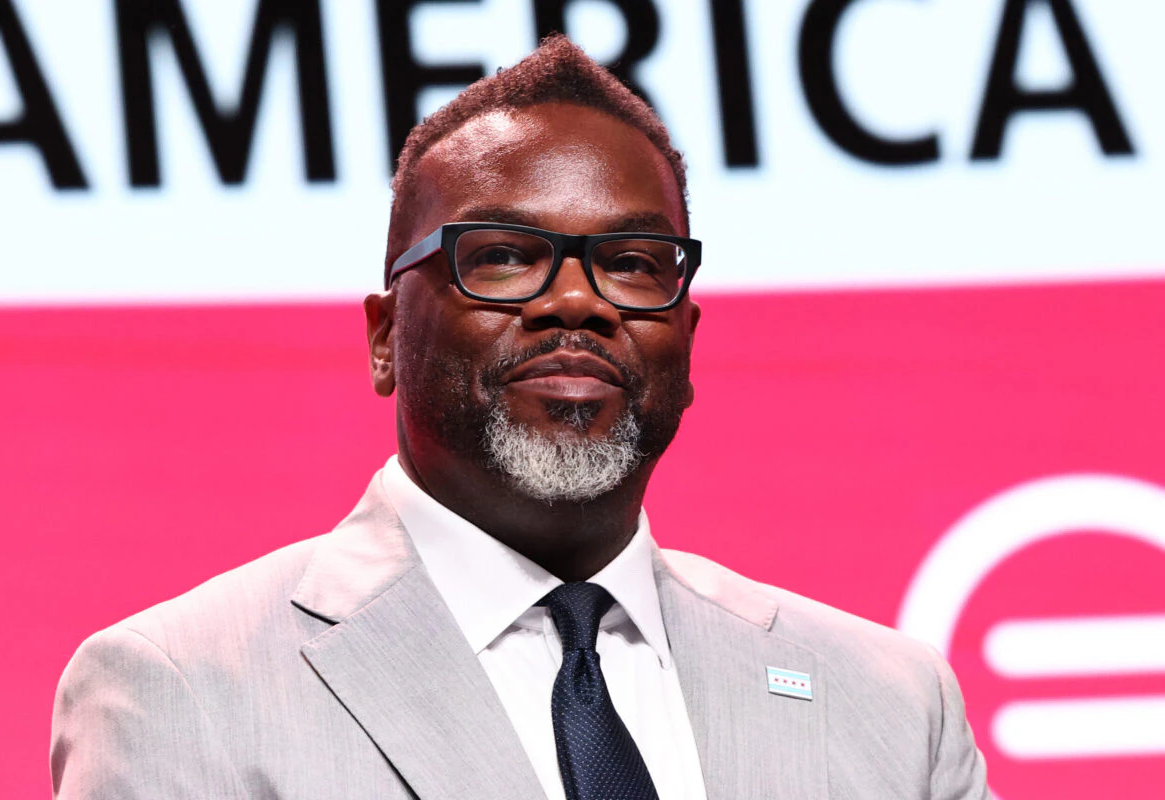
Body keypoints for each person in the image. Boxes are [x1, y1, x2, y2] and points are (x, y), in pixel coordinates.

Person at [51, 36, 989, 800]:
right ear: (384, 337)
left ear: (688, 342)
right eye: (502, 256)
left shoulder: (893, 705)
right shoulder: (182, 689)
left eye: (632, 262)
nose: (578, 302)